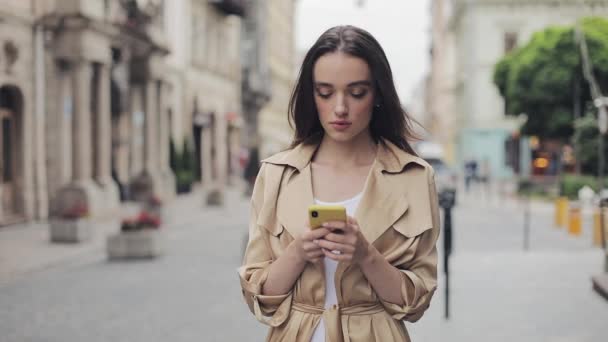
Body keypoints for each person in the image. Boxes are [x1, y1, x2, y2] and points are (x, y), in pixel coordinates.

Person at [238, 25, 440, 342]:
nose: (340, 108)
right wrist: (299, 251)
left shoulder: (414, 177)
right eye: (325, 93)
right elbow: (258, 297)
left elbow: (415, 301)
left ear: (377, 95)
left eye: (357, 92)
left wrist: (365, 254)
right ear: (311, 95)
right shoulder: (276, 173)